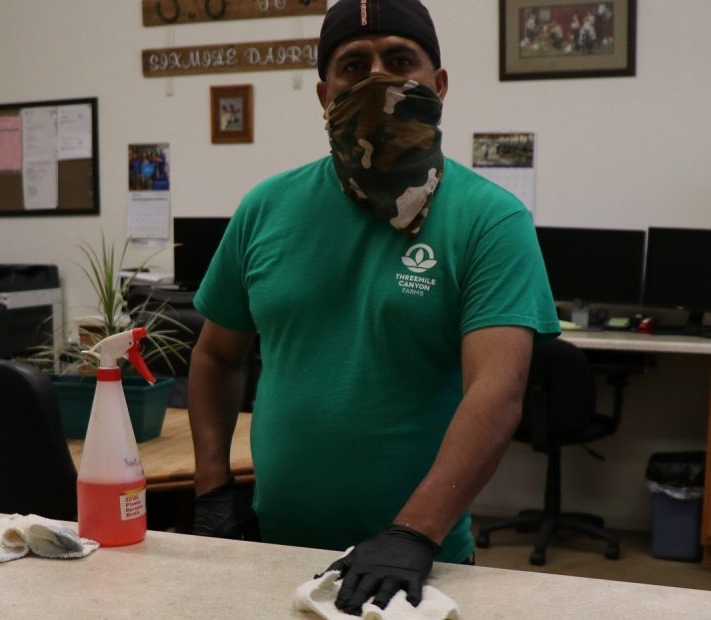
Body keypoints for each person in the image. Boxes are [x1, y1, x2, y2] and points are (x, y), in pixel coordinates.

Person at [187, 0, 559, 615]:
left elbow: (497, 390)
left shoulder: (490, 219)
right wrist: (212, 490)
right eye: (353, 65)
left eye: (400, 60)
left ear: (438, 84)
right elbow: (216, 357)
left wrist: (413, 531)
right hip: (270, 551)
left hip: (419, 559)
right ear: (323, 93)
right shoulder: (265, 209)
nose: (378, 78)